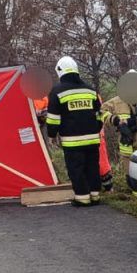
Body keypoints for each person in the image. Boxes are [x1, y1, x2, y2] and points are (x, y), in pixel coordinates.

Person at [44, 57, 104, 206]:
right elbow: (99, 114)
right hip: (92, 138)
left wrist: (51, 135)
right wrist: (95, 128)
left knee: (76, 168)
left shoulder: (57, 91)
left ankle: (82, 198)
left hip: (72, 141)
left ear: (59, 71)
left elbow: (53, 119)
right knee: (92, 166)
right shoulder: (90, 89)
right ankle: (95, 195)